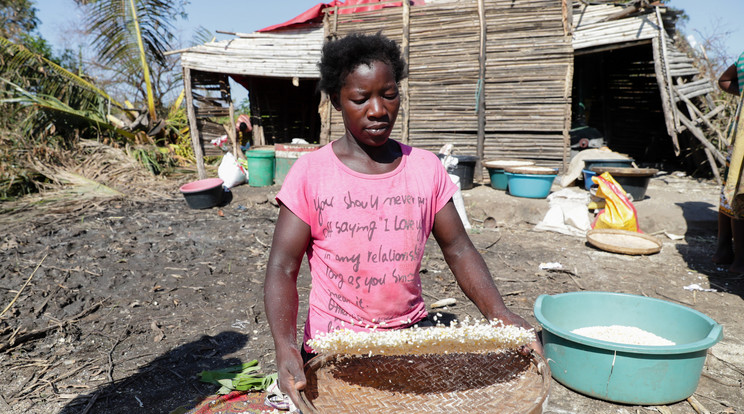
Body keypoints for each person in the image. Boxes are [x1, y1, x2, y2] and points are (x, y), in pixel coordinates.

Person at [263, 32, 541, 407]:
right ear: (336, 101)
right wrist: (284, 347)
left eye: (389, 94)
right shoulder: (311, 174)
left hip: (406, 336)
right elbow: (282, 267)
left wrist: (499, 313)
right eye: (361, 99)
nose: (378, 110)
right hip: (333, 345)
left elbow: (458, 248)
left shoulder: (424, 168)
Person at [713, 51, 744, 273]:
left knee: (731, 188)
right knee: (737, 194)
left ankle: (725, 251)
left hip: (740, 136)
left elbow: (724, 80)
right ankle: (739, 261)